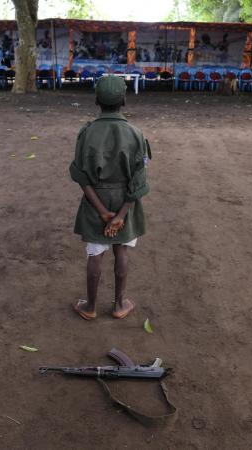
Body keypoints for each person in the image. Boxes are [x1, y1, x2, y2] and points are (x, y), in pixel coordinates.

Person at [69, 75, 151, 320]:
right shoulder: (136, 134)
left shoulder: (87, 133)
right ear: (124, 100)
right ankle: (119, 304)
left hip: (96, 201)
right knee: (121, 251)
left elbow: (81, 175)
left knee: (95, 253)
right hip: (125, 201)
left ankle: (90, 306)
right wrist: (121, 215)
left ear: (96, 99)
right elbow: (139, 179)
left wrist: (103, 212)